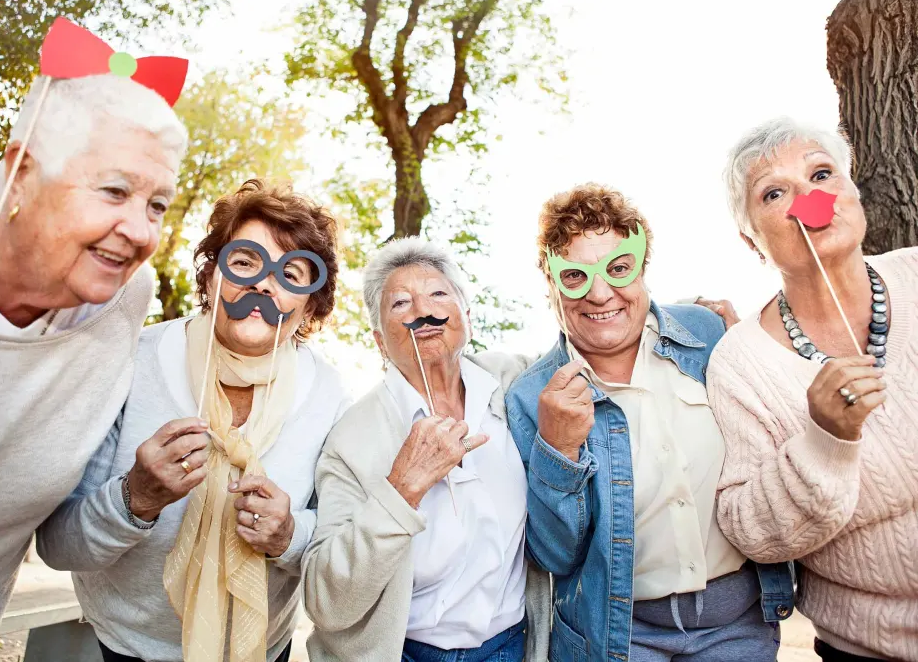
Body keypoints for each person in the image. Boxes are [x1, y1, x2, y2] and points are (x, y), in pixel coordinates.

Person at [0, 73, 187, 659]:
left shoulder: (124, 294)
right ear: (20, 174)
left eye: (157, 204)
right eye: (114, 192)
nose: (141, 231)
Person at [36, 179, 350, 662]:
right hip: (130, 645)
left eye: (293, 272)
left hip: (261, 648)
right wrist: (134, 498)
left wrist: (288, 535)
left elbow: (338, 543)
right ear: (209, 278)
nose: (264, 284)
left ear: (310, 303)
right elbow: (57, 545)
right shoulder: (130, 363)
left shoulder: (328, 395)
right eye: (245, 261)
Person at [505, 184, 794, 661]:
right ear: (551, 286)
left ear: (641, 270)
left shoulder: (707, 334)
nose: (600, 293)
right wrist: (558, 452)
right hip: (620, 638)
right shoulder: (530, 397)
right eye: (575, 276)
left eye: (618, 269)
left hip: (737, 627)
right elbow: (554, 555)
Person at [708, 118, 918, 662]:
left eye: (821, 175)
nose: (808, 201)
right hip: (868, 649)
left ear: (852, 193)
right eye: (774, 193)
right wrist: (824, 439)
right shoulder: (739, 362)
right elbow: (751, 530)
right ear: (751, 239)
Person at [302, 238, 551, 662]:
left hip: (513, 646)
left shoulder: (514, 383)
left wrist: (681, 314)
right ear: (380, 342)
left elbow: (595, 344)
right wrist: (403, 488)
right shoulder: (350, 439)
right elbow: (327, 600)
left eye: (438, 293)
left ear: (466, 318)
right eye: (400, 303)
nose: (423, 310)